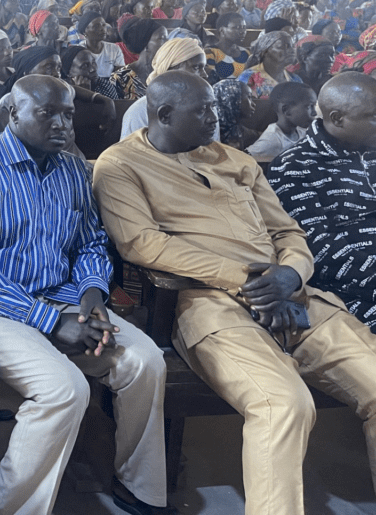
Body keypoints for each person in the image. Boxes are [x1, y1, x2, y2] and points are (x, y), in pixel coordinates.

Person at [93, 72, 376, 515]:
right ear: (164, 115)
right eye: (202, 110)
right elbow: (142, 243)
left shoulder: (234, 160)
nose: (215, 116)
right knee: (283, 404)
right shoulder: (121, 165)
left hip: (295, 300)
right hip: (209, 303)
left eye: (212, 106)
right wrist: (249, 280)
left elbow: (288, 231)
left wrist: (291, 276)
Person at [0, 75, 171, 515]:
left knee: (145, 361)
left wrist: (91, 295)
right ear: (14, 114)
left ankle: (137, 486)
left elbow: (89, 243)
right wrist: (51, 321)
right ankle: (14, 509)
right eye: (47, 114)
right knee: (63, 389)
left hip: (63, 297)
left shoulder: (70, 168)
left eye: (67, 114)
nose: (62, 125)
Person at [270, 73, 376, 330]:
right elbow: (318, 250)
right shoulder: (294, 167)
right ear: (338, 118)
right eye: (373, 117)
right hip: (348, 289)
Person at [121, 38, 210, 139]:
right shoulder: (140, 111)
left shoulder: (207, 108)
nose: (204, 75)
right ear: (170, 71)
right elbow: (130, 151)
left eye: (204, 68)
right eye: (196, 68)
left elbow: (211, 150)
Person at [245, 81, 316, 163]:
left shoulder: (302, 133)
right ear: (286, 110)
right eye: (309, 106)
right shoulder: (272, 141)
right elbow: (243, 161)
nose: (315, 113)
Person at [238, 31, 302, 99]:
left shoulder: (295, 80)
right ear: (265, 51)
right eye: (284, 46)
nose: (292, 50)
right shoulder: (248, 77)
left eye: (293, 46)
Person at [77, 10, 124, 77]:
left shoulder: (114, 49)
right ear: (85, 31)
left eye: (104, 25)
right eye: (96, 26)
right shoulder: (78, 52)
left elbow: (121, 75)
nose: (102, 29)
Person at [205, 12, 250, 82]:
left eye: (244, 27)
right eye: (237, 28)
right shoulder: (210, 52)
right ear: (222, 30)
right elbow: (212, 80)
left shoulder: (246, 53)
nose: (242, 31)